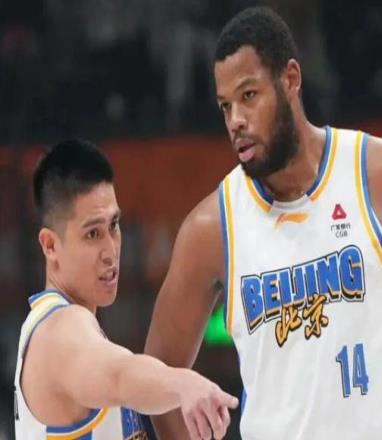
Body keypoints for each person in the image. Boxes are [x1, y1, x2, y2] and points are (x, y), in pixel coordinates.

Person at [145, 7, 382, 440]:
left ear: (291, 79)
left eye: (249, 95)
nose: (235, 119)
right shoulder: (211, 227)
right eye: (225, 106)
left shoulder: (381, 173)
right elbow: (157, 377)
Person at [14, 140, 238, 440]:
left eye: (114, 225)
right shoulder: (59, 329)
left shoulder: (68, 328)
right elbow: (118, 374)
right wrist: (183, 384)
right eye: (93, 234)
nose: (111, 251)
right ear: (50, 245)